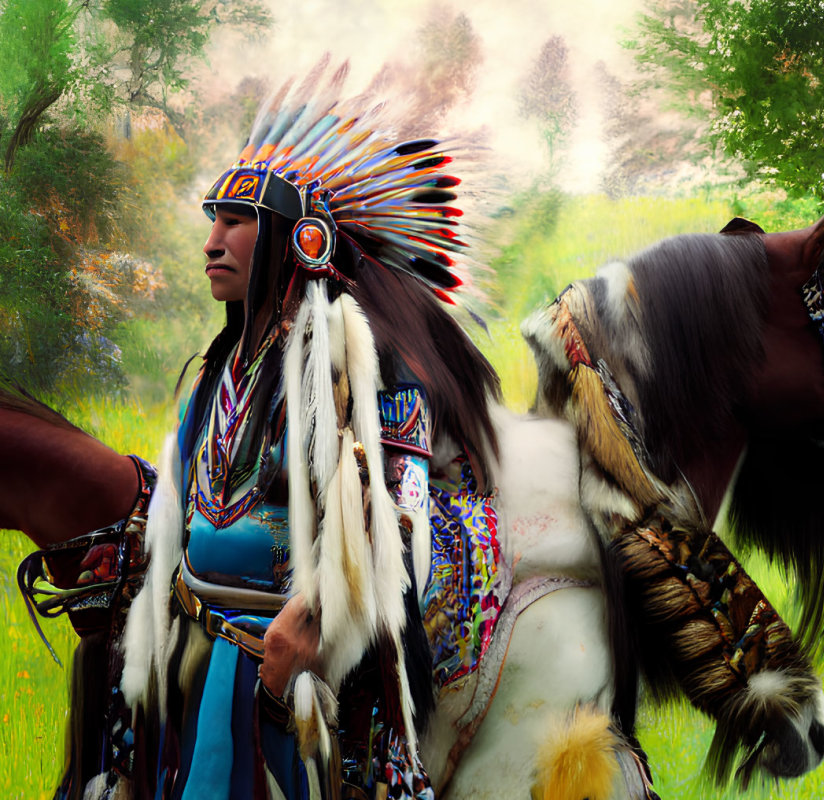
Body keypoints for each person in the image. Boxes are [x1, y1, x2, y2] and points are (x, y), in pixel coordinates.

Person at [54, 61, 501, 799]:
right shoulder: (221, 369)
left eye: (236, 223)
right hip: (194, 662)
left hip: (292, 687)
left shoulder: (369, 369)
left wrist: (315, 626)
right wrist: (141, 553)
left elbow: (402, 537)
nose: (212, 241)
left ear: (301, 240)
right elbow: (198, 501)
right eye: (213, 221)